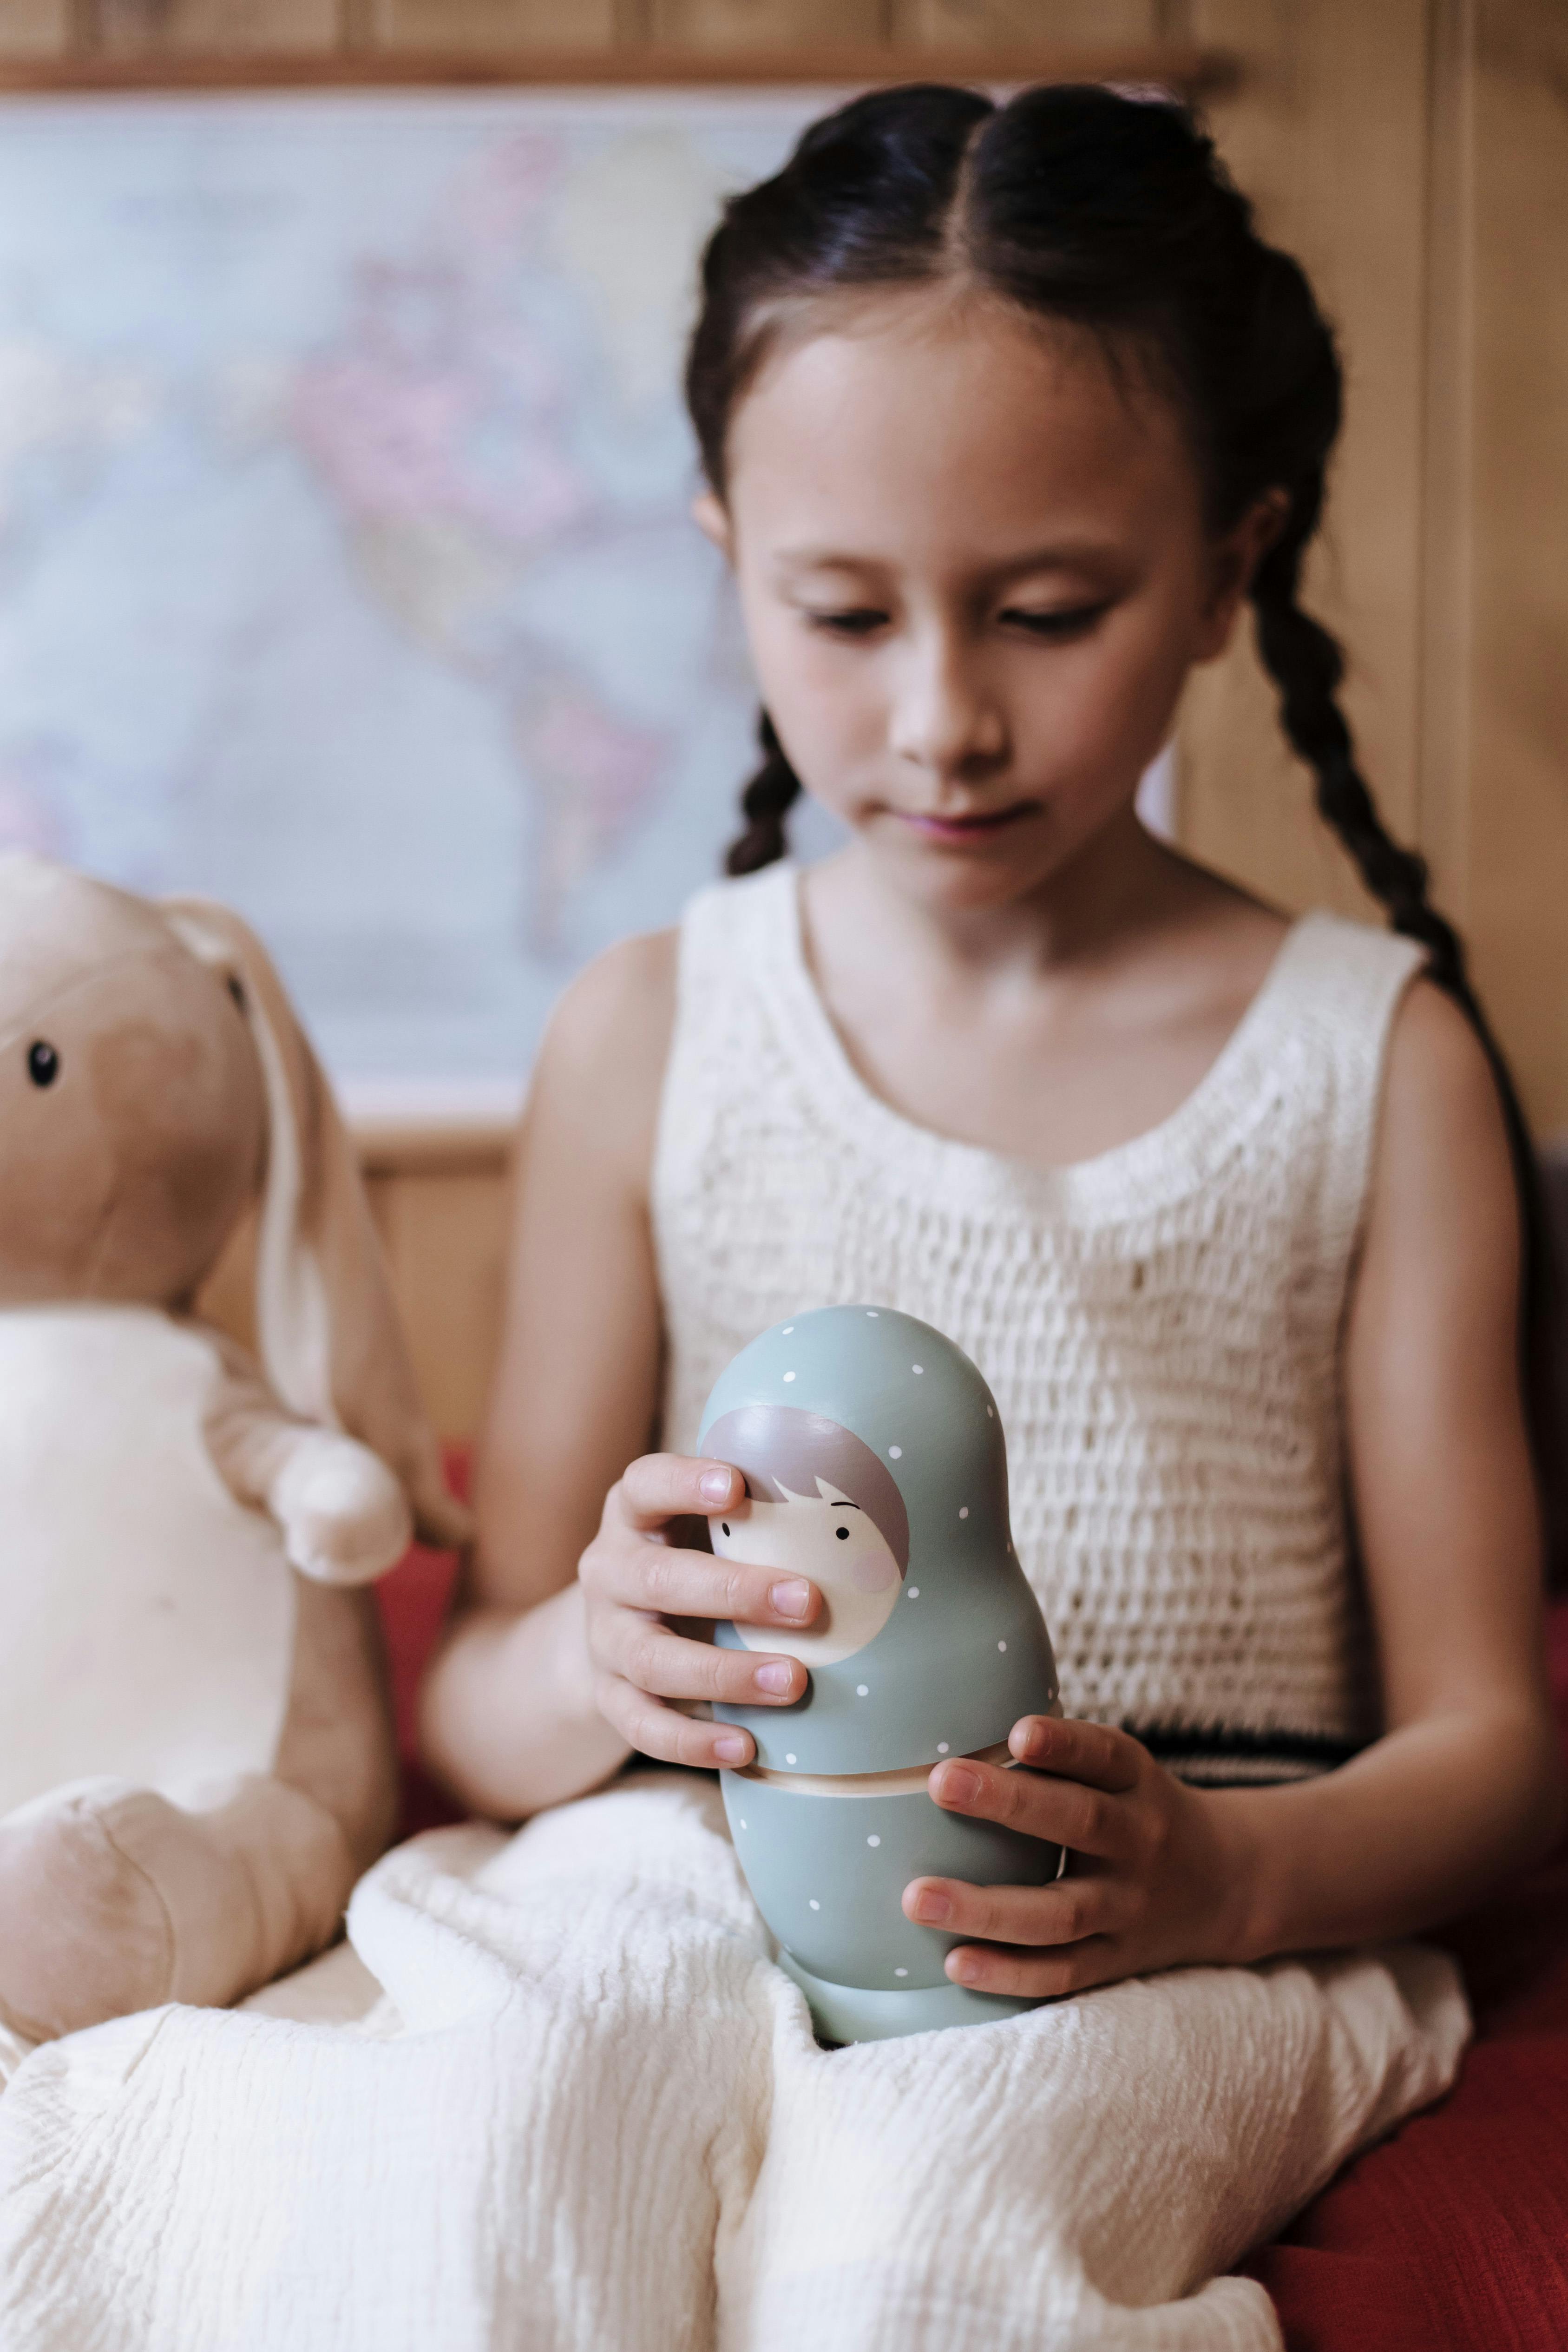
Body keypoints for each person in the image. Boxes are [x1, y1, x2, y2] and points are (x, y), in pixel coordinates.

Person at [419, 83, 1563, 2344]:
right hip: (705, 1864)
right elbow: (465, 1705)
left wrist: (1225, 1877)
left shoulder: (1372, 1062)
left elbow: (1488, 1738)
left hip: (1195, 1919)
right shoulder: (652, 1029)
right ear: (722, 544)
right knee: (483, 2167)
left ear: (1232, 568)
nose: (939, 720)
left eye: (1047, 611)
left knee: (915, 2262)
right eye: (839, 612)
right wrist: (593, 1656)